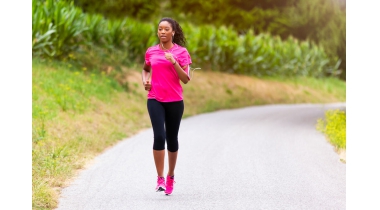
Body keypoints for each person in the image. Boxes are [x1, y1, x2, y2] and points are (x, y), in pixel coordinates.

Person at [141, 17, 192, 195]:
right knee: (159, 136)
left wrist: (174, 62)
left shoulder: (182, 52)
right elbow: (146, 69)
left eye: (166, 29)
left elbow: (186, 79)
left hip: (175, 101)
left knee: (172, 139)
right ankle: (160, 178)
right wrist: (145, 81)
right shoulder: (151, 51)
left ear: (173, 32)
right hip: (154, 98)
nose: (162, 32)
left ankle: (171, 176)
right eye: (160, 29)